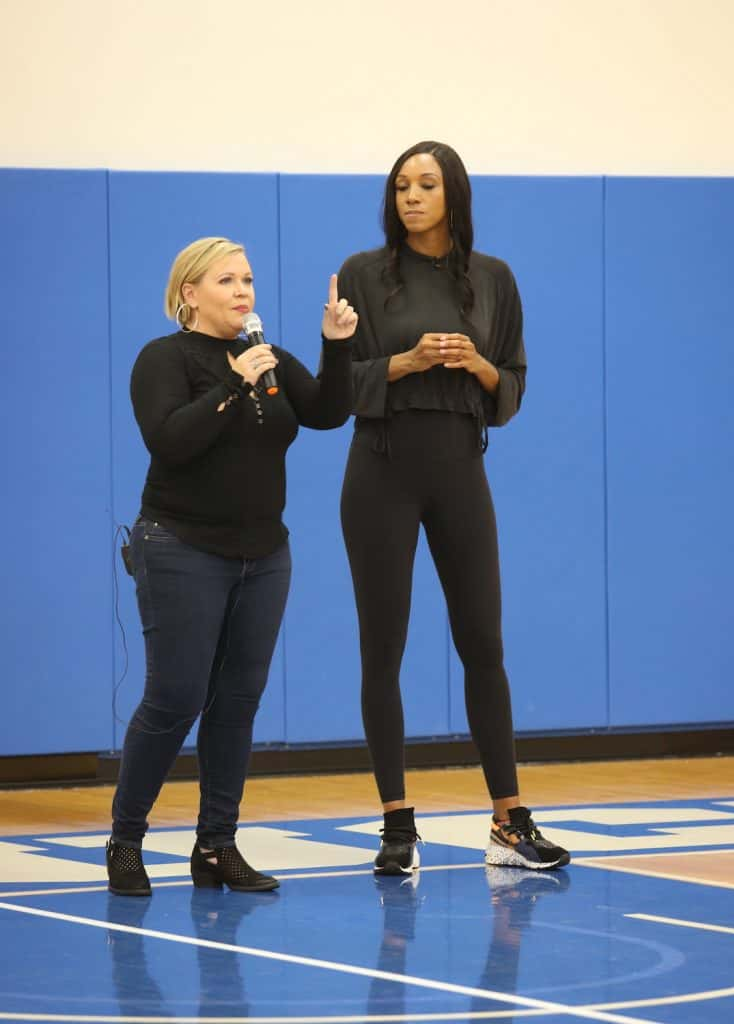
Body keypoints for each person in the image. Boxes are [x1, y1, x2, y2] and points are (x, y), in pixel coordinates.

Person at [336, 141, 570, 874]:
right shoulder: (362, 275)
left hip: (461, 468)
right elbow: (340, 383)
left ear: (452, 194)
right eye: (401, 185)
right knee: (384, 648)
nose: (410, 196)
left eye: (426, 184)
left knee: (483, 644)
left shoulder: (494, 279)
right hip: (379, 470)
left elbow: (512, 391)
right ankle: (396, 824)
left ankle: (507, 821)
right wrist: (405, 362)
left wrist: (473, 362)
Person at [107, 236, 357, 896]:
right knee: (176, 697)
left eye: (247, 280)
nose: (244, 291)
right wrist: (231, 381)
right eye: (227, 281)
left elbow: (329, 411)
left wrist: (335, 344)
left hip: (263, 554)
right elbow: (170, 440)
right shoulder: (164, 359)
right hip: (180, 547)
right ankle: (125, 841)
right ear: (189, 293)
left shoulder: (267, 357)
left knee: (237, 701)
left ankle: (216, 845)